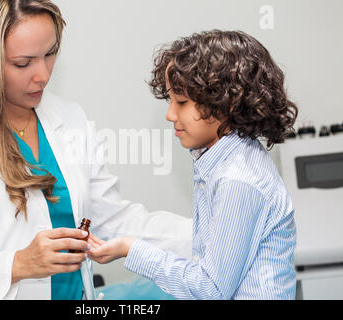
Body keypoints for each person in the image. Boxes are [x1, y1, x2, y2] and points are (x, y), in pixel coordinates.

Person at [0, 0, 191, 300]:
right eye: (22, 63)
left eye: (50, 53)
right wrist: (19, 263)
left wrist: (210, 236)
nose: (43, 75)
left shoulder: (68, 117)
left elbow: (111, 220)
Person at [87, 30, 299, 300]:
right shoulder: (223, 162)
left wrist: (132, 249)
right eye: (170, 101)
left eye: (182, 102)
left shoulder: (238, 179)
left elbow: (209, 289)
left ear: (226, 101)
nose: (170, 114)